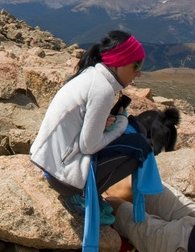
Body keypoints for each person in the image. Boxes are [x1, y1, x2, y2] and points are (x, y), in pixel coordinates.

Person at [30, 30, 159, 249]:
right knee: (139, 145)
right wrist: (119, 125)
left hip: (52, 162)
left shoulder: (92, 76)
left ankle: (86, 189)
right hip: (64, 176)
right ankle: (80, 195)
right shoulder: (102, 89)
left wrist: (108, 124)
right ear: (120, 62)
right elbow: (88, 145)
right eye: (136, 66)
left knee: (134, 131)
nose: (138, 73)